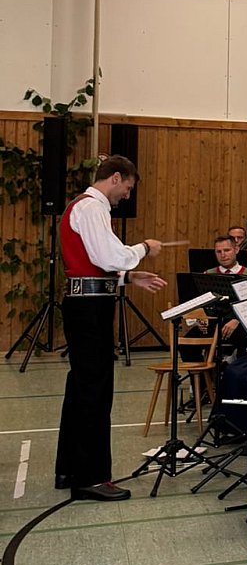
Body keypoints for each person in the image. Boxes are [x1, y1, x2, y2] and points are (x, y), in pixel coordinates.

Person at [55, 155, 166, 500]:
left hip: (87, 303)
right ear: (115, 178)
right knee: (94, 390)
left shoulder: (86, 207)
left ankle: (70, 467)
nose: (127, 196)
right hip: (90, 311)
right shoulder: (92, 207)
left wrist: (129, 278)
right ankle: (90, 476)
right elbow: (108, 257)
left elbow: (93, 266)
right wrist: (144, 248)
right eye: (127, 188)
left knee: (82, 387)